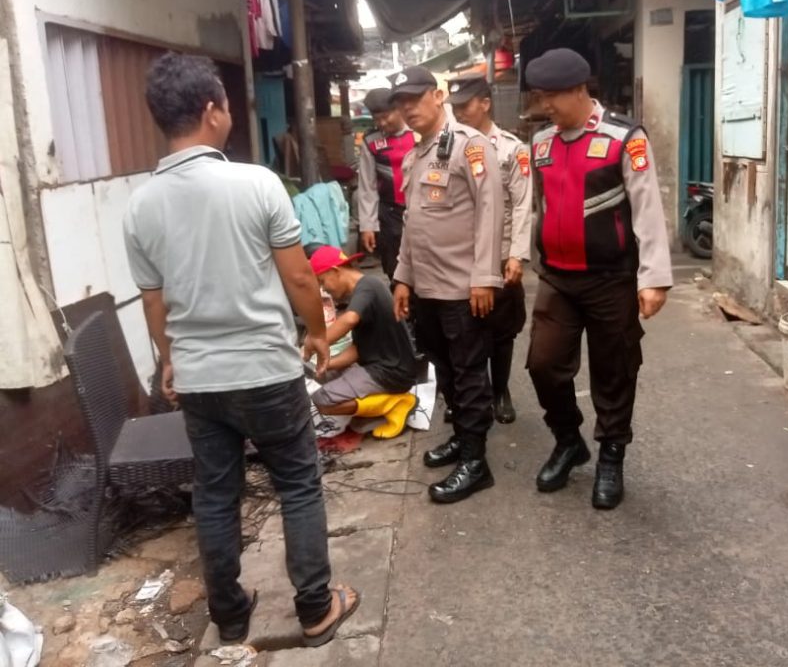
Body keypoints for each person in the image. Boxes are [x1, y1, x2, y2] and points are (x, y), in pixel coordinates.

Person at [123, 53, 359, 648]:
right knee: (299, 484)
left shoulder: (140, 206)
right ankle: (315, 608)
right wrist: (313, 333)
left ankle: (230, 614)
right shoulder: (257, 183)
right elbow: (302, 279)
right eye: (228, 104)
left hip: (201, 382)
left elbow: (155, 304)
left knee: (216, 494)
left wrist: (170, 359)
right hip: (265, 371)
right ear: (211, 111)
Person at [523, 48, 673, 510]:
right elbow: (536, 207)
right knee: (543, 364)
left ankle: (611, 454)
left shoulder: (623, 138)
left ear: (579, 90)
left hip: (612, 278)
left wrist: (654, 278)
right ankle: (569, 440)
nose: (545, 106)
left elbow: (647, 208)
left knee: (614, 370)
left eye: (552, 97)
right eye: (541, 97)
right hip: (558, 278)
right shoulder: (542, 144)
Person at [389, 65, 504, 504]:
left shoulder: (470, 148)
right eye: (402, 102)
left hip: (463, 289)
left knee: (471, 374)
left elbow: (491, 213)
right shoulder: (414, 156)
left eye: (415, 99)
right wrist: (403, 277)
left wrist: (485, 278)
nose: (407, 108)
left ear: (439, 97)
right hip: (426, 290)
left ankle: (477, 463)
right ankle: (461, 436)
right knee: (446, 371)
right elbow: (412, 224)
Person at [448, 73, 532, 424]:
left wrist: (517, 254)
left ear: (485, 103)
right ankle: (470, 395)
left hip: (499, 256)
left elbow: (523, 202)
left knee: (501, 330)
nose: (460, 112)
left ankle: (500, 391)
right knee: (463, 330)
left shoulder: (512, 148)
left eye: (465, 105)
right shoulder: (449, 145)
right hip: (460, 255)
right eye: (455, 107)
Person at [306, 245, 418, 438]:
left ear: (335, 271)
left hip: (391, 373)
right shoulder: (362, 293)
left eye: (322, 282)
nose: (324, 289)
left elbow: (349, 320)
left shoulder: (368, 285)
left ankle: (394, 404)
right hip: (380, 366)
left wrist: (314, 342)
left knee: (321, 400)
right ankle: (376, 406)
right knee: (322, 376)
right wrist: (325, 364)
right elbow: (359, 350)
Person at [357, 88, 417, 281]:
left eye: (386, 117)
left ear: (399, 109)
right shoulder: (371, 141)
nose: (382, 123)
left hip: (421, 209)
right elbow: (367, 187)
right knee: (395, 268)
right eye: (377, 119)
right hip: (390, 215)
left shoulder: (419, 134)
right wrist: (367, 226)